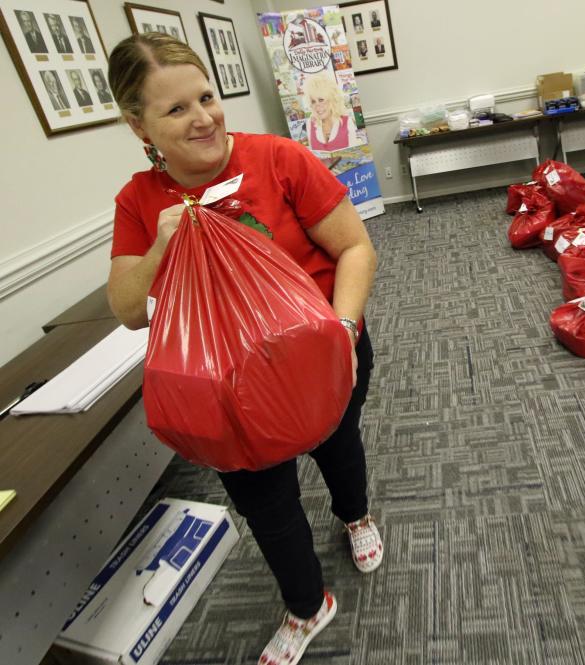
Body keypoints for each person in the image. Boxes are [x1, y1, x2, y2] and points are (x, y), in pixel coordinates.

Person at [105, 33, 381, 665]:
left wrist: (341, 332)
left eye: (206, 97)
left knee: (339, 447)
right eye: (175, 110)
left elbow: (355, 248)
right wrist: (159, 248)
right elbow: (126, 310)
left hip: (322, 356)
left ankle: (356, 515)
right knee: (266, 505)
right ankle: (309, 606)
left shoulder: (279, 159)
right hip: (225, 393)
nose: (202, 117)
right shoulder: (140, 202)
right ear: (137, 124)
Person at [304, 74, 360, 152]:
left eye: (321, 100)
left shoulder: (346, 122)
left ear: (332, 99)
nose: (317, 106)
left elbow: (356, 155)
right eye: (313, 101)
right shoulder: (310, 124)